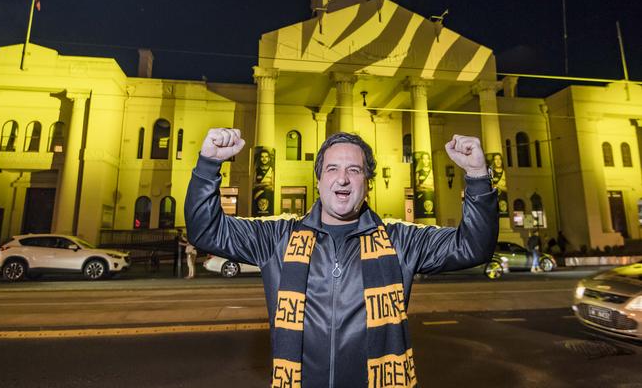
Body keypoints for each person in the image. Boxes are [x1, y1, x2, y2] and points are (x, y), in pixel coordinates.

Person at [185, 128, 498, 387]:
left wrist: (476, 176)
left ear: (367, 182)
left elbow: (472, 246)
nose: (343, 178)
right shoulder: (278, 238)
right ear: (319, 181)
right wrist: (208, 166)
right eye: (332, 168)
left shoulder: (400, 239)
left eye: (354, 170)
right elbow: (206, 230)